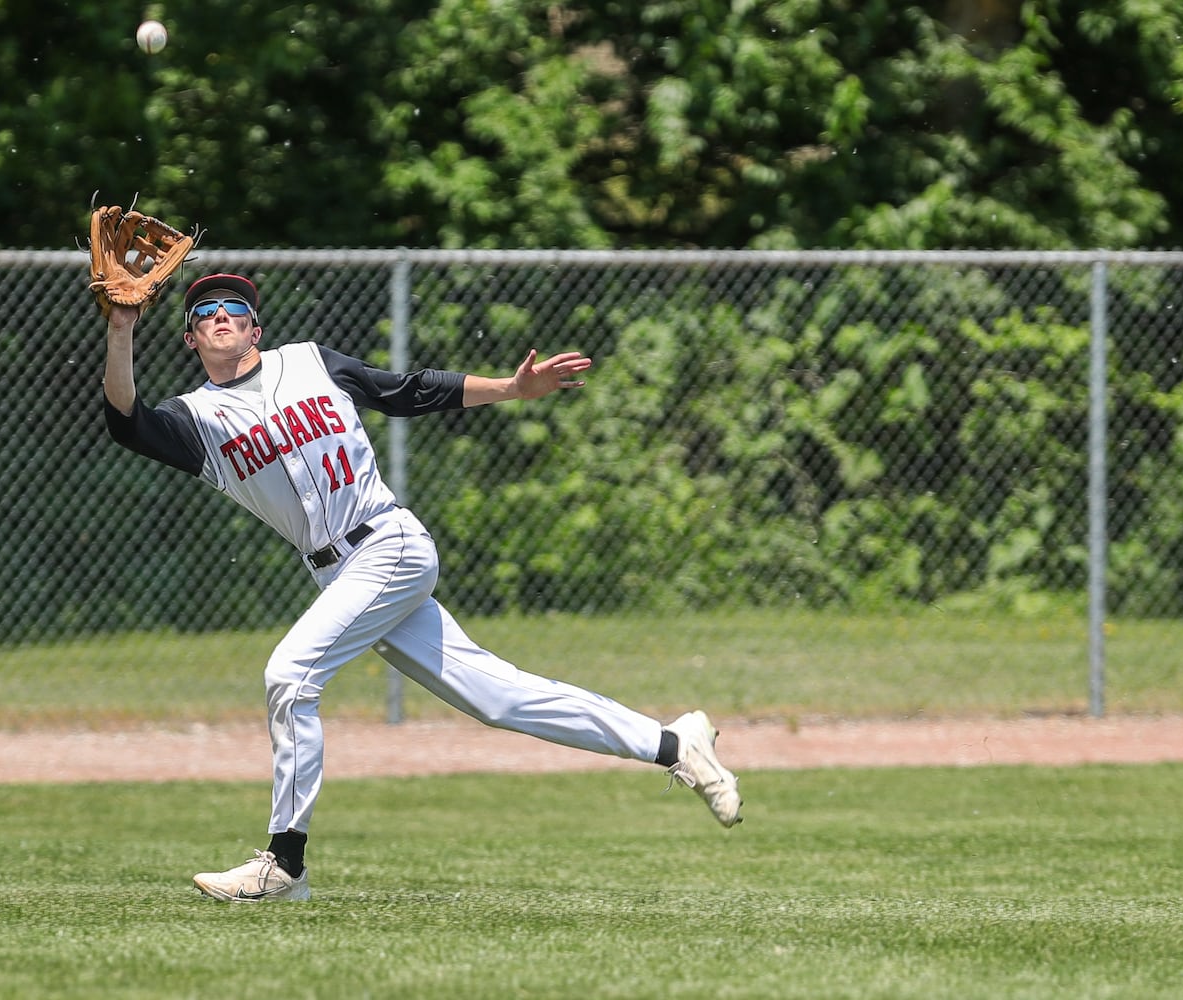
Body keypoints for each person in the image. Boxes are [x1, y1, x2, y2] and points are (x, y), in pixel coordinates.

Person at [101, 273, 742, 903]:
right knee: (499, 698)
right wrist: (122, 330)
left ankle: (283, 861)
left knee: (289, 676)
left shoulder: (308, 363)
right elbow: (127, 423)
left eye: (235, 306)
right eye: (205, 309)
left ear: (255, 327)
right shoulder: (198, 420)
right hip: (336, 573)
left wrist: (513, 389)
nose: (221, 314)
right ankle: (673, 742)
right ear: (188, 338)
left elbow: (406, 390)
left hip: (389, 544)